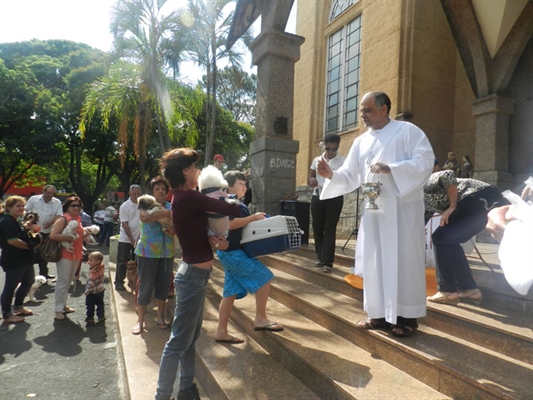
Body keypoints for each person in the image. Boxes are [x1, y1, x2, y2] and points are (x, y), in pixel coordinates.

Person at [317, 91, 435, 337]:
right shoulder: (361, 142)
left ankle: (406, 318)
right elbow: (350, 175)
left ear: (384, 109)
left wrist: (392, 168)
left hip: (401, 211)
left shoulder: (408, 132)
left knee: (403, 260)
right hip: (374, 210)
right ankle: (378, 314)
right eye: (361, 110)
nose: (362, 115)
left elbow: (426, 161)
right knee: (375, 259)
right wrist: (331, 175)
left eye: (367, 110)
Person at [156, 148, 240, 400]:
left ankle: (186, 387)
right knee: (178, 342)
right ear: (185, 171)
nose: (199, 172)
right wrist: (234, 192)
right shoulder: (188, 197)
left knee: (190, 337)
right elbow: (231, 209)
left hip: (195, 275)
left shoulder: (185, 197)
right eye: (194, 167)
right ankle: (162, 396)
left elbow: (201, 227)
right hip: (192, 276)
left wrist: (213, 239)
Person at [215, 170, 283, 344]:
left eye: (245, 185)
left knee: (229, 293)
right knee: (265, 276)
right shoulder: (229, 202)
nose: (244, 188)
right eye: (240, 184)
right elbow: (229, 224)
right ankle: (260, 318)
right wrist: (252, 217)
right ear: (229, 186)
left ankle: (221, 331)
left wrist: (254, 219)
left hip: (230, 252)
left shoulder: (236, 203)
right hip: (233, 253)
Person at [424, 170, 506, 305]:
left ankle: (447, 291)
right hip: (484, 199)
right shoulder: (422, 204)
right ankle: (469, 289)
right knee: (448, 240)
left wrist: (452, 207)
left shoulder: (423, 184)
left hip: (478, 195)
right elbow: (417, 227)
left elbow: (447, 175)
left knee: (441, 238)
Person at [132, 177, 175, 335]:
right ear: (152, 192)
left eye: (163, 189)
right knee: (145, 286)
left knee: (163, 287)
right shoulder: (145, 203)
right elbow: (145, 218)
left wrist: (172, 227)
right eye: (157, 189)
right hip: (147, 253)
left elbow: (176, 226)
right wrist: (166, 214)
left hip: (167, 252)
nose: (161, 191)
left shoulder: (172, 206)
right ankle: (140, 320)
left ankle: (161, 317)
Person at [308, 133, 346, 273]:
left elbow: (345, 179)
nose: (330, 152)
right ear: (324, 146)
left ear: (337, 147)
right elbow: (311, 176)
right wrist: (311, 181)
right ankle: (320, 257)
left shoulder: (343, 161)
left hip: (334, 197)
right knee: (317, 227)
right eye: (328, 148)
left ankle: (328, 262)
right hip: (317, 195)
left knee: (329, 228)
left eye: (333, 149)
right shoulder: (317, 160)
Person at [0, 196, 37, 323]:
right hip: (13, 259)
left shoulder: (15, 220)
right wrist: (30, 246)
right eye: (18, 206)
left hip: (24, 258)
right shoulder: (7, 221)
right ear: (9, 207)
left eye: (22, 206)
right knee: (11, 286)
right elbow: (13, 241)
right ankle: (7, 314)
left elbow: (21, 232)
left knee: (29, 281)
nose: (21, 208)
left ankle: (18, 307)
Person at [49, 196, 87, 320]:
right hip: (65, 254)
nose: (76, 208)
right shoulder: (63, 219)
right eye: (73, 205)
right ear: (67, 207)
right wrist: (69, 238)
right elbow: (53, 235)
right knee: (63, 281)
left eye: (78, 205)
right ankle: (58, 309)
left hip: (76, 253)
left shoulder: (78, 219)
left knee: (69, 281)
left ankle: (63, 305)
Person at [25, 185, 63, 280]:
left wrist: (51, 223)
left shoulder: (57, 202)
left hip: (47, 231)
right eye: (48, 193)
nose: (49, 195)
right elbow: (26, 211)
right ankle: (27, 275)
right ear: (44, 191)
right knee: (30, 252)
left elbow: (59, 215)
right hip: (32, 231)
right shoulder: (34, 199)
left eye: (52, 193)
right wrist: (31, 222)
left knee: (45, 253)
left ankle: (44, 274)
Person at [115, 184, 142, 291]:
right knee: (122, 261)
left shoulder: (143, 205)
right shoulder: (125, 206)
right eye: (134, 194)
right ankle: (119, 282)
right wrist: (131, 239)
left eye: (138, 194)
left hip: (140, 239)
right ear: (130, 193)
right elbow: (125, 224)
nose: (136, 196)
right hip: (125, 239)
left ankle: (136, 282)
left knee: (138, 262)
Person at [84, 251, 105, 323]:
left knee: (90, 305)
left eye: (91, 260)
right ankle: (101, 316)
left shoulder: (93, 271)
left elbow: (91, 283)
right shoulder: (101, 266)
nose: (88, 262)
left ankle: (90, 318)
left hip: (92, 291)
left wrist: (87, 291)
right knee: (100, 303)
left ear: (97, 261)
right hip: (100, 289)